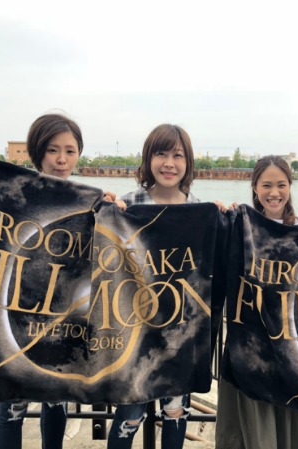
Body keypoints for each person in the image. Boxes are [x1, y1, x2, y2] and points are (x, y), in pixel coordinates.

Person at [0, 112, 119, 449]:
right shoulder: (13, 191)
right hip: (16, 307)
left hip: (61, 312)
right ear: (37, 151)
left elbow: (112, 246)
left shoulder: (87, 198)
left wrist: (115, 208)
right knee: (12, 401)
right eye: (53, 150)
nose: (62, 160)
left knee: (56, 395)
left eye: (70, 151)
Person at [215, 155, 298, 449]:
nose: (274, 192)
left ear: (290, 186)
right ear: (254, 188)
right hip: (252, 352)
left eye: (281, 185)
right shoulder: (238, 226)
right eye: (266, 185)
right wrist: (217, 215)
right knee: (258, 432)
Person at [107, 123, 199, 449]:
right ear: (148, 159)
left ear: (188, 162)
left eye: (178, 155)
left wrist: (226, 215)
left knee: (175, 413)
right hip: (134, 333)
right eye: (161, 154)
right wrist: (102, 208)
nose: (169, 163)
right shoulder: (127, 205)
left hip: (181, 333)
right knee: (129, 414)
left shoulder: (198, 210)